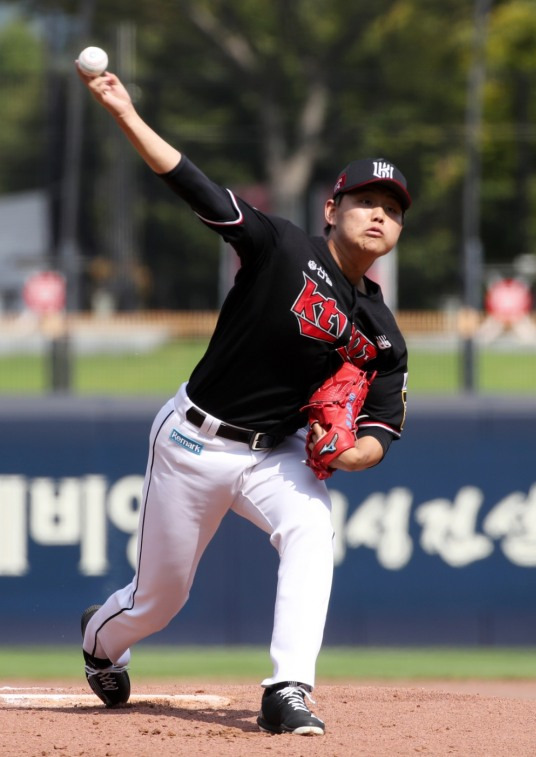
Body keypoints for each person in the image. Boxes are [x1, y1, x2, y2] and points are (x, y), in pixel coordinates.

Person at [76, 62, 410, 736]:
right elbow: (194, 184)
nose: (379, 214)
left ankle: (286, 689)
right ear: (332, 210)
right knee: (159, 601)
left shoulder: (382, 331)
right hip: (194, 439)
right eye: (366, 200)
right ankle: (98, 640)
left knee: (313, 528)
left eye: (394, 208)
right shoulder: (283, 247)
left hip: (275, 454)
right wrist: (126, 115)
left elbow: (383, 422)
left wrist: (351, 454)